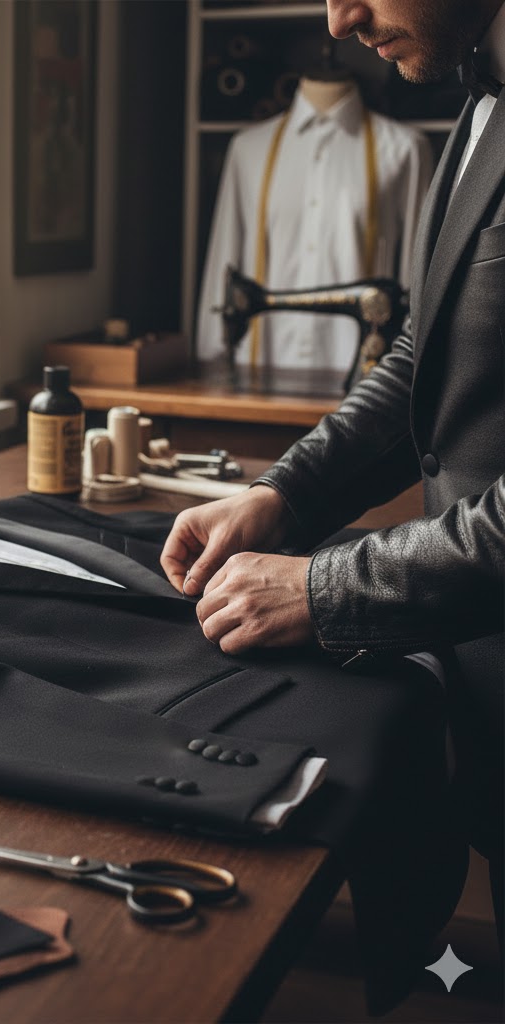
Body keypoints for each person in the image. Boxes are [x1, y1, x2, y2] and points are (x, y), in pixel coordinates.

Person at [163, 0, 504, 928]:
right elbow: (420, 360)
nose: (339, 16)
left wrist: (325, 588)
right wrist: (287, 493)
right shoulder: (478, 100)